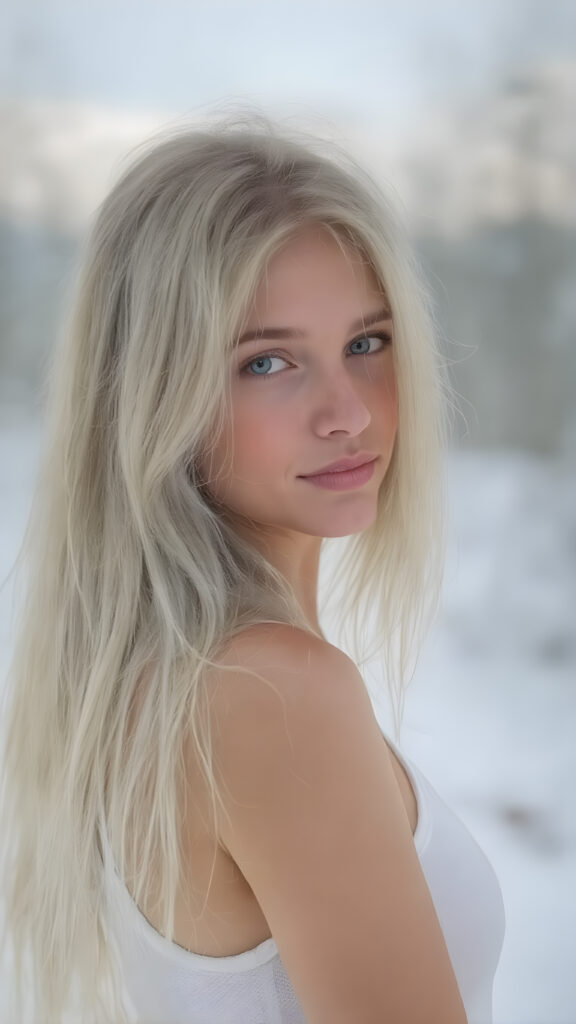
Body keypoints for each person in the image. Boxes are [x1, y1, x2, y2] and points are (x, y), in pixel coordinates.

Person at [0, 113, 505, 1024]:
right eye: (267, 361)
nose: (347, 412)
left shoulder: (178, 672)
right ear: (156, 393)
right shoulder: (270, 692)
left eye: (366, 342)